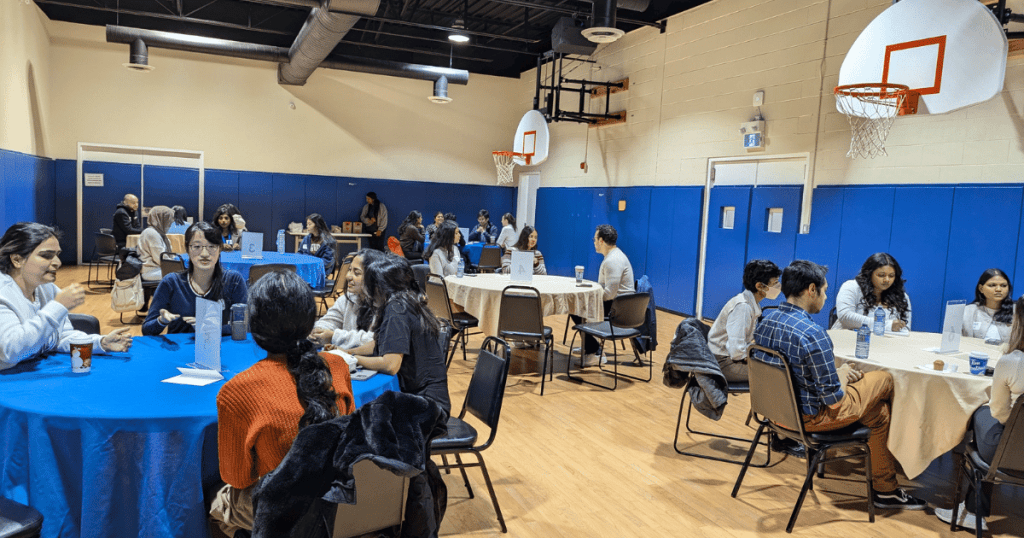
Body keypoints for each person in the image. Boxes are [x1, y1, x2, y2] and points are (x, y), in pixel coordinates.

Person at [753, 260, 926, 510]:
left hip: (775, 413)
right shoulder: (814, 334)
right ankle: (908, 453)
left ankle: (886, 488)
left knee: (879, 414)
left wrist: (834, 372)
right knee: (885, 379)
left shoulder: (766, 320)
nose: (825, 298)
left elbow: (795, 370)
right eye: (824, 291)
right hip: (811, 418)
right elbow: (833, 399)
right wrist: (842, 374)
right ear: (811, 290)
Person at [208, 270, 356, 537]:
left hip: (284, 513)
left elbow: (238, 478)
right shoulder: (337, 367)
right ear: (310, 319)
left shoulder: (238, 391)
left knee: (213, 498)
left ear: (255, 324)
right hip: (340, 504)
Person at [935, 294, 1024, 531]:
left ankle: (974, 511)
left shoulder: (1012, 362)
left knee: (981, 411)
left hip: (1013, 452)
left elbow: (1001, 414)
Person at [0, 222, 132, 370]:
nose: (58, 262)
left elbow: (61, 336)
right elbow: (10, 351)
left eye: (57, 255)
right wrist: (57, 307)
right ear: (17, 260)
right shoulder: (3, 293)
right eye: (46, 256)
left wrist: (100, 343)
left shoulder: (47, 289)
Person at [351, 255, 451, 417]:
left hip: (428, 406)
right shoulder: (404, 301)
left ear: (379, 286)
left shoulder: (397, 309)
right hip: (422, 398)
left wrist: (352, 359)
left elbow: (391, 365)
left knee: (362, 422)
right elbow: (380, 343)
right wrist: (347, 352)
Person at [142, 222, 248, 336]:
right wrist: (161, 321)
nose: (204, 253)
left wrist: (209, 328)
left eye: (212, 246)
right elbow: (147, 330)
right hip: (180, 351)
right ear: (187, 248)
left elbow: (244, 326)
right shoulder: (172, 282)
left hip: (220, 349)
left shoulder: (233, 280)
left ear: (220, 249)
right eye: (197, 247)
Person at [570, 224, 635, 366]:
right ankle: (589, 346)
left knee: (575, 308)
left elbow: (609, 294)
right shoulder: (613, 256)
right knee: (579, 306)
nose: (593, 242)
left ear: (601, 241)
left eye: (594, 239)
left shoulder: (613, 261)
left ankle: (595, 352)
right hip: (620, 304)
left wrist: (588, 298)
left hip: (619, 309)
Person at [707, 259, 781, 382]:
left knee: (775, 366)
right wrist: (760, 359)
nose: (778, 287)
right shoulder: (743, 307)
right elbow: (737, 352)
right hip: (721, 362)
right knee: (777, 376)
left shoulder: (751, 303)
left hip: (727, 356)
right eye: (775, 284)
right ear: (759, 286)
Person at [308, 249, 384, 350]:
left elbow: (374, 340)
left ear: (373, 276)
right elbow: (330, 320)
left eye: (356, 273)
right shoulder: (346, 299)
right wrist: (318, 330)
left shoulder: (384, 305)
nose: (348, 276)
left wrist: (334, 336)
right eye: (349, 270)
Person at [833, 252, 911, 332]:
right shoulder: (852, 287)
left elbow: (905, 328)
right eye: (881, 275)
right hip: (847, 340)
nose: (887, 280)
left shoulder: (902, 297)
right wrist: (886, 325)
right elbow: (845, 317)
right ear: (869, 274)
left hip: (885, 343)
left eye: (891, 276)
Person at [962, 268, 1013, 344]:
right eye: (992, 285)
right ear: (981, 288)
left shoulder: (1018, 312)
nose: (998, 289)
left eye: (1003, 285)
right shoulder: (967, 312)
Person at [137, 206, 174, 282]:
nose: (171, 222)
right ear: (161, 219)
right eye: (168, 219)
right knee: (184, 275)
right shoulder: (151, 233)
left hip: (158, 269)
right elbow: (160, 259)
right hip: (150, 271)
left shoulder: (160, 233)